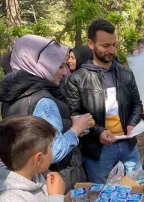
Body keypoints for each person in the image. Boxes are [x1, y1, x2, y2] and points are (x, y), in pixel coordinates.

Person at [0, 35, 91, 193]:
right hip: (56, 179)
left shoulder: (12, 94)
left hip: (29, 179)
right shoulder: (43, 100)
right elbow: (52, 151)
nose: (65, 72)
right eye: (60, 66)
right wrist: (76, 128)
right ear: (40, 65)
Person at [64, 19, 143, 183]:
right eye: (106, 46)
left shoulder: (126, 73)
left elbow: (137, 104)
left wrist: (132, 123)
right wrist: (98, 132)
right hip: (98, 151)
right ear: (91, 44)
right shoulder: (76, 79)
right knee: (100, 195)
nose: (112, 50)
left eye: (113, 45)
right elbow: (76, 115)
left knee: (137, 189)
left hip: (129, 146)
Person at [0, 116, 65, 202]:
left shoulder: (35, 173)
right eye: (51, 147)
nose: (52, 151)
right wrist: (56, 197)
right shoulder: (10, 198)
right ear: (38, 159)